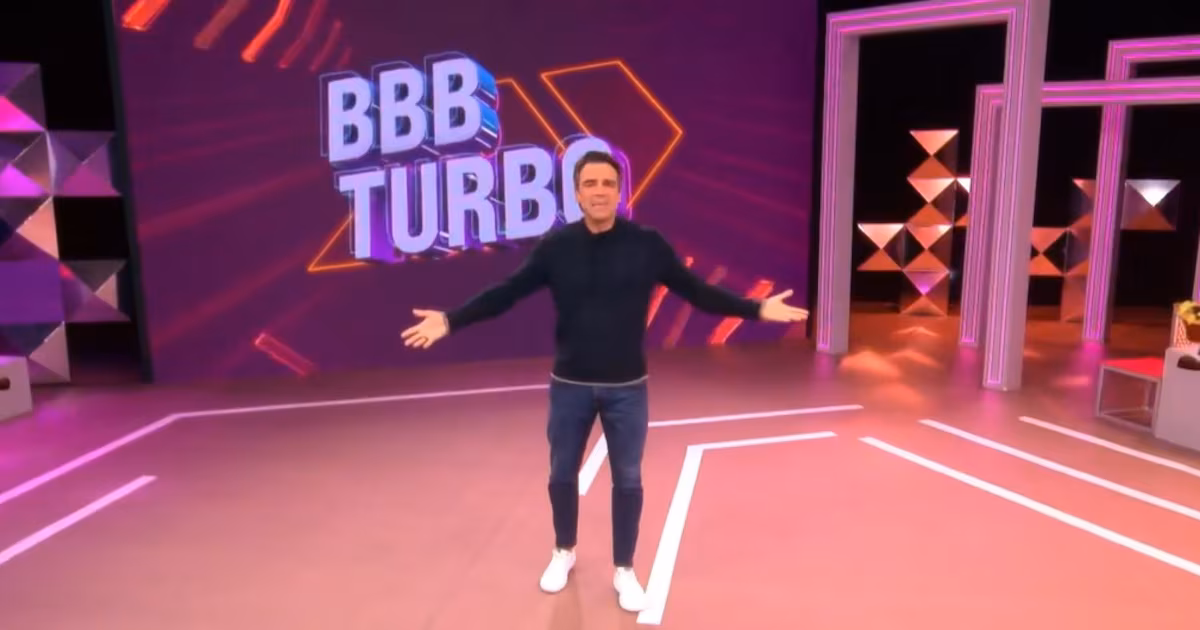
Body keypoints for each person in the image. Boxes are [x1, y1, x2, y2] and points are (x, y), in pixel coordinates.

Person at [401, 151, 808, 612]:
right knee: (561, 474)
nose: (599, 191)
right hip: (569, 386)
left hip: (627, 389)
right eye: (590, 184)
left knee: (628, 479)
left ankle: (624, 569)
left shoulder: (647, 244)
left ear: (619, 192)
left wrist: (757, 309)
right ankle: (564, 551)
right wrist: (451, 320)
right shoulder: (556, 247)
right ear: (577, 194)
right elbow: (506, 294)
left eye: (608, 184)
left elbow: (698, 292)